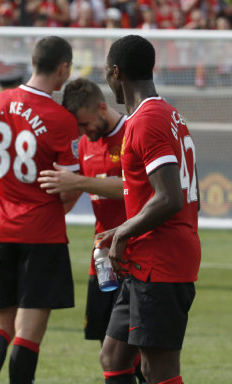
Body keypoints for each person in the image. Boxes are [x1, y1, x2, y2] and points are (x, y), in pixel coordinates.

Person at [98, 35, 200, 384]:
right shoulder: (167, 113)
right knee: (113, 355)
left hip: (162, 262)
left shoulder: (147, 119)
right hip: (146, 260)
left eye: (106, 74)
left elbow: (169, 198)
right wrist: (121, 231)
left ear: (116, 73)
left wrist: (124, 232)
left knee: (158, 369)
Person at [0, 36, 80, 384]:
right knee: (28, 332)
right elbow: (70, 187)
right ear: (63, 68)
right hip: (43, 234)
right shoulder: (60, 118)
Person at [36, 78, 145, 384]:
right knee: (108, 347)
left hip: (136, 259)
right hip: (102, 263)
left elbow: (135, 189)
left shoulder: (131, 133)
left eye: (85, 124)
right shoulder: (84, 143)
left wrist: (80, 182)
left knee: (141, 355)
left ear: (101, 107)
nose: (83, 132)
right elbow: (71, 194)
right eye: (78, 128)